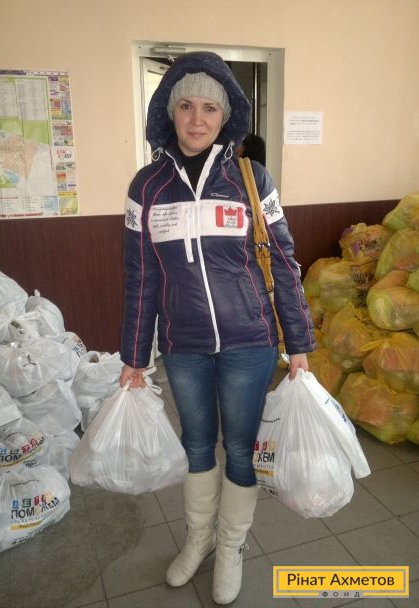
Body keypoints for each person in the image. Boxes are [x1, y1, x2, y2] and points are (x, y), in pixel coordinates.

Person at [120, 51, 315, 605]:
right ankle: (199, 538)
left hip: (250, 342)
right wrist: (134, 355)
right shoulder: (147, 187)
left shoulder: (251, 178)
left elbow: (284, 261)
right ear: (170, 111)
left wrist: (299, 343)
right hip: (183, 345)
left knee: (241, 449)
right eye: (186, 106)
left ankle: (230, 547)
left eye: (209, 108)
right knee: (197, 443)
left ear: (225, 116)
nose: (197, 119)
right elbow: (139, 277)